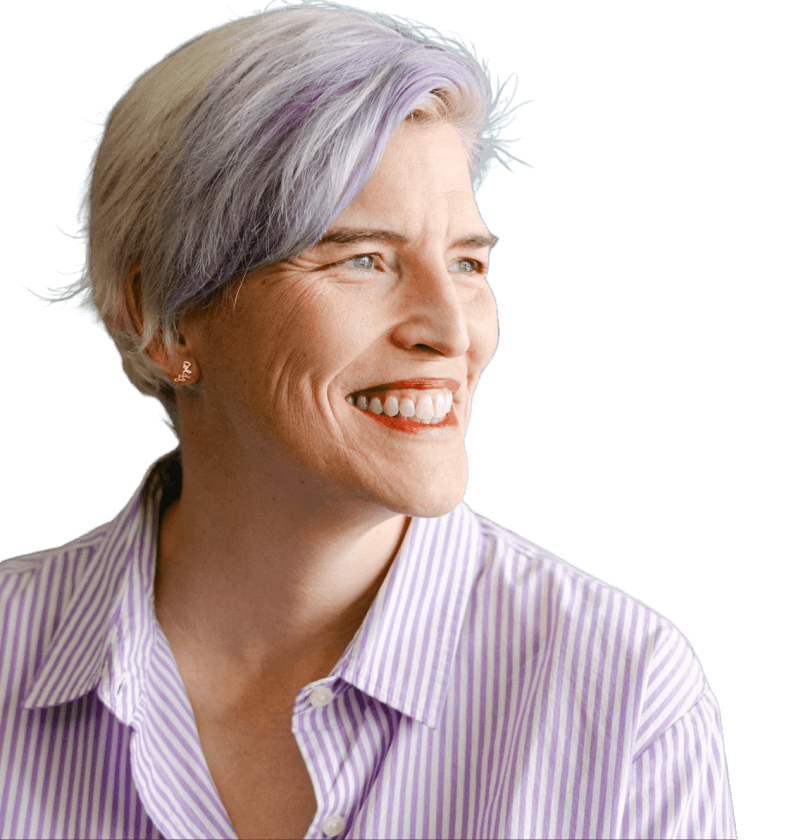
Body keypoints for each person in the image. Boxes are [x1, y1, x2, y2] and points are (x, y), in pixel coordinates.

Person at [1, 2, 735, 839]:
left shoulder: (627, 693)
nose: (451, 331)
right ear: (163, 318)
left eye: (467, 263)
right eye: (363, 258)